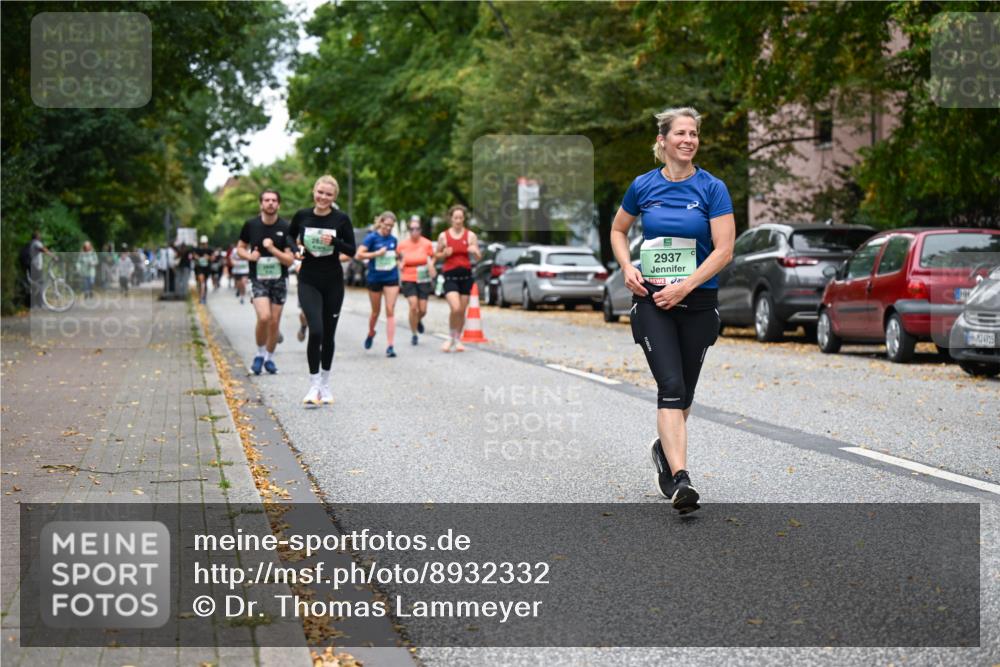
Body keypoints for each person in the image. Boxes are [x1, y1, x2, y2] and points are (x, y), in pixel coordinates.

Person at [610, 106, 735, 515]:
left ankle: (664, 451)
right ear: (662, 141)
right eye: (680, 133)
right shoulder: (643, 186)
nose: (688, 139)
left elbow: (724, 249)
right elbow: (618, 229)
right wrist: (627, 266)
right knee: (670, 386)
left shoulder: (712, 188)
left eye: (694, 133)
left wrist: (686, 286)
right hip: (653, 303)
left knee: (685, 394)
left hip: (697, 302)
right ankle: (682, 480)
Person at [288, 175, 357, 407]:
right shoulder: (302, 215)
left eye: (328, 194)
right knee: (315, 330)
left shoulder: (341, 219)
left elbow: (352, 249)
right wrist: (295, 248)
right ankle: (314, 384)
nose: (323, 197)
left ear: (334, 197)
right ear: (314, 192)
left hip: (333, 281)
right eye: (320, 192)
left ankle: (325, 384)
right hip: (308, 278)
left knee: (328, 334)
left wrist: (334, 243)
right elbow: (290, 235)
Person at [237, 190, 295, 375]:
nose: (270, 203)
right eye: (267, 200)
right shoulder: (251, 225)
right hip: (258, 279)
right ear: (261, 204)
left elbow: (289, 259)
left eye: (274, 200)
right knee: (264, 317)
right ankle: (259, 354)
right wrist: (250, 256)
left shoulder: (286, 227)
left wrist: (272, 249)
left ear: (279, 204)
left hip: (279, 280)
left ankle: (269, 359)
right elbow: (240, 248)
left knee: (274, 322)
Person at [435, 204, 481, 352]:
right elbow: (436, 255)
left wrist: (474, 251)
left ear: (464, 219)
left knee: (461, 310)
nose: (458, 220)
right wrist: (444, 254)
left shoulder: (470, 235)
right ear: (451, 219)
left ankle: (458, 339)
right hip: (450, 276)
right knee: (455, 308)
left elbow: (479, 257)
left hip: (466, 276)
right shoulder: (443, 236)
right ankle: (450, 337)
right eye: (456, 218)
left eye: (461, 218)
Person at [357, 212, 402, 357]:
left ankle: (390, 346)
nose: (388, 228)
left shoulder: (393, 239)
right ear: (381, 223)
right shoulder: (372, 237)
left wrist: (398, 260)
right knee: (375, 312)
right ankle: (371, 332)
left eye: (391, 226)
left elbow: (396, 257)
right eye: (386, 225)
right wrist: (376, 254)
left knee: (390, 309)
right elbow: (359, 255)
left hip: (391, 277)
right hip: (375, 278)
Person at [398, 215, 436, 345]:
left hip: (423, 277)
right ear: (409, 230)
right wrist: (400, 264)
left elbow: (432, 257)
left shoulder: (427, 243)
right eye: (412, 229)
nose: (415, 231)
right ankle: (414, 333)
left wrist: (431, 265)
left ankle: (417, 320)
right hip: (408, 277)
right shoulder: (402, 244)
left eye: (417, 228)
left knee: (423, 309)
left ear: (421, 230)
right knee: (413, 306)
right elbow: (397, 258)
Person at [193, 236, 213, 303]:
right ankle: (201, 297)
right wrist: (197, 258)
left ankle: (204, 296)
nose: (204, 244)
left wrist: (208, 257)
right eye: (202, 243)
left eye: (205, 243)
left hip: (207, 268)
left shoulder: (210, 249)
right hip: (199, 268)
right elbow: (194, 256)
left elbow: (213, 258)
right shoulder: (197, 249)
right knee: (201, 282)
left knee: (204, 283)